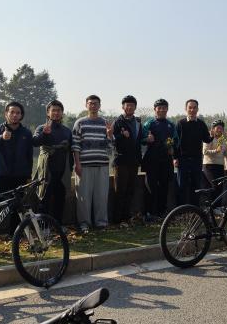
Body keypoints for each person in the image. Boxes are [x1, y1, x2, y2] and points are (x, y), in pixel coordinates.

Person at [0, 101, 33, 237]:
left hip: (20, 175)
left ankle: (14, 235)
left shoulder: (26, 133)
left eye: (18, 113)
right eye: (12, 112)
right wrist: (1, 138)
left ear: (21, 115)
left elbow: (29, 155)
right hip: (0, 174)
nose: (14, 115)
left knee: (17, 207)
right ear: (6, 114)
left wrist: (28, 175)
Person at [72, 95, 114, 234]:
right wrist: (77, 164)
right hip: (84, 165)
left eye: (96, 103)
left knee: (101, 196)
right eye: (90, 103)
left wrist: (109, 135)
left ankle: (101, 222)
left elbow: (110, 147)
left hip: (102, 164)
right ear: (86, 105)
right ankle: (84, 223)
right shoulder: (80, 123)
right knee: (83, 197)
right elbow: (75, 145)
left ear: (99, 106)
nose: (93, 106)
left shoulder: (105, 123)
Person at [33, 100, 73, 229]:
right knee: (43, 199)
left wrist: (71, 168)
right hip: (46, 170)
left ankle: (58, 226)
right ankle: (43, 228)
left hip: (62, 171)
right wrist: (45, 134)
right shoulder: (41, 128)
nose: (56, 113)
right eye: (53, 110)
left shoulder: (67, 131)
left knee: (60, 200)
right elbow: (35, 142)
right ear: (48, 113)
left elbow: (71, 150)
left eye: (59, 110)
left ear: (62, 113)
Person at [142, 99, 178, 221]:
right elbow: (141, 139)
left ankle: (162, 212)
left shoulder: (171, 125)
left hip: (166, 160)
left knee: (164, 187)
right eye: (159, 108)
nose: (162, 110)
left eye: (164, 108)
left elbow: (176, 140)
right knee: (150, 187)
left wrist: (172, 148)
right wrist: (147, 139)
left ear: (167, 109)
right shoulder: (149, 123)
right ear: (155, 109)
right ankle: (149, 213)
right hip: (152, 159)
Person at [175, 99, 213, 206]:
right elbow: (176, 142)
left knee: (196, 186)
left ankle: (195, 209)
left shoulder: (201, 124)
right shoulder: (180, 123)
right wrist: (175, 158)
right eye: (190, 107)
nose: (192, 110)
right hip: (183, 159)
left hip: (196, 160)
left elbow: (206, 139)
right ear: (186, 109)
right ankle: (181, 210)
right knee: (181, 186)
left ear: (197, 109)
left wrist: (212, 135)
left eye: (194, 108)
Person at [112, 95, 143, 225]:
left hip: (134, 161)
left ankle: (126, 216)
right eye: (127, 105)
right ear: (123, 107)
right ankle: (117, 219)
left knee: (130, 189)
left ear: (135, 107)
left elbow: (139, 140)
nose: (129, 107)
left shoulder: (138, 122)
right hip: (121, 160)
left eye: (132, 105)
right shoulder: (117, 122)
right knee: (120, 190)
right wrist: (121, 135)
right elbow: (112, 140)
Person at [202, 119, 226, 188]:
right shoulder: (209, 138)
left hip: (220, 165)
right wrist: (216, 151)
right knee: (214, 186)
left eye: (221, 128)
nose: (219, 130)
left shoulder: (223, 140)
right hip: (210, 166)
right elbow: (205, 152)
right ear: (213, 129)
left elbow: (224, 153)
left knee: (220, 187)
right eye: (218, 128)